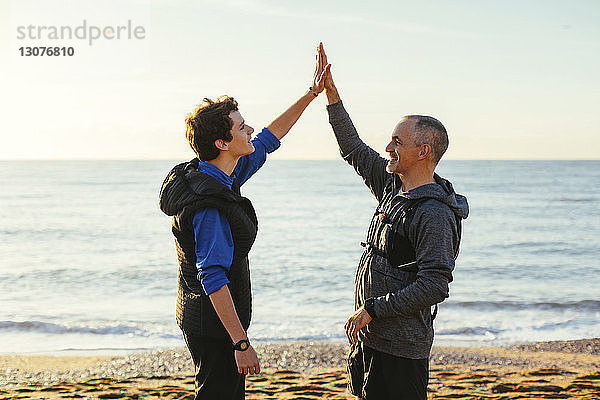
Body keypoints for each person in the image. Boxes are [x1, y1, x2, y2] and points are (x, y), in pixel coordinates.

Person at [158, 46, 330, 399]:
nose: (248, 128)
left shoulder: (219, 173)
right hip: (215, 325)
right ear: (223, 142)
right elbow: (213, 277)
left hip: (202, 317)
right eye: (241, 126)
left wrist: (312, 94)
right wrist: (241, 343)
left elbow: (270, 137)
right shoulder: (210, 204)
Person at [318, 44, 469, 400]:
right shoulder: (391, 186)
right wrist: (332, 97)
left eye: (396, 141)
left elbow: (435, 285)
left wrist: (372, 309)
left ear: (423, 152)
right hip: (369, 338)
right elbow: (353, 148)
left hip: (400, 350)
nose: (387, 147)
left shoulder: (433, 213)